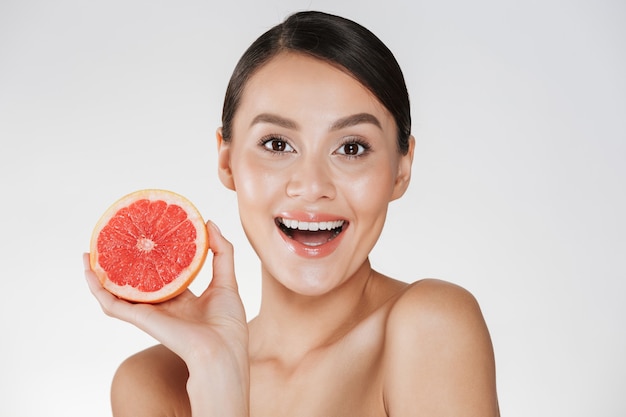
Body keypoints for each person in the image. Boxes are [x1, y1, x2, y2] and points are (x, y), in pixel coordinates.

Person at [85, 10, 499, 416]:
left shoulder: (431, 326)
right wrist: (216, 368)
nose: (312, 186)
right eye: (278, 145)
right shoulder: (154, 382)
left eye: (351, 147)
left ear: (401, 169)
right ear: (227, 161)